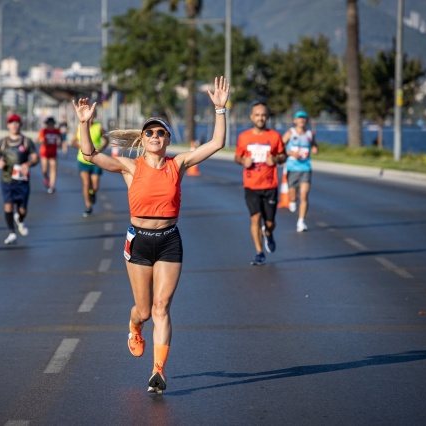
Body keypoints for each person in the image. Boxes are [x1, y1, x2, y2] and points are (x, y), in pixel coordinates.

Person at [72, 76, 230, 395]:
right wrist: (86, 125)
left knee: (161, 307)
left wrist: (220, 109)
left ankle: (158, 372)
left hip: (170, 240)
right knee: (143, 311)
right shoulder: (131, 167)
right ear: (143, 139)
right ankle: (134, 326)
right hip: (139, 241)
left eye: (160, 132)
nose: (155, 136)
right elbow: (90, 155)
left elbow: (216, 144)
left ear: (167, 138)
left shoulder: (179, 163)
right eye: (150, 132)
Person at [234, 101, 286, 266]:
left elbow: (283, 155)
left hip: (270, 185)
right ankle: (259, 252)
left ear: (267, 117)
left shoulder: (275, 136)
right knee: (255, 218)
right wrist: (244, 161)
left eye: (263, 115)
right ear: (251, 117)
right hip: (251, 185)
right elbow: (237, 157)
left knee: (269, 222)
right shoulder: (244, 137)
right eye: (257, 115)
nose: (260, 118)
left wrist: (276, 159)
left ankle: (268, 234)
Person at [0, 114, 38, 245]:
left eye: (16, 122)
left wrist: (28, 164)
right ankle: (12, 232)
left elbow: (35, 158)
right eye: (11, 122)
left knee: (22, 210)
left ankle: (20, 219)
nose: (14, 125)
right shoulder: (2, 142)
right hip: (7, 180)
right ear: (7, 125)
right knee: (8, 206)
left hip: (22, 181)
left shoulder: (27, 141)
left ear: (20, 125)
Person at [282, 110, 318, 232]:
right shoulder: (290, 133)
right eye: (299, 118)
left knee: (304, 195)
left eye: (303, 118)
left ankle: (301, 221)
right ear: (295, 121)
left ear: (306, 120)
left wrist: (314, 149)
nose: (302, 120)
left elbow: (314, 145)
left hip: (305, 168)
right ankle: (292, 201)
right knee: (293, 195)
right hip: (292, 168)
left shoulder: (310, 133)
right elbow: (280, 147)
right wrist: (290, 153)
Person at [71, 110, 109, 217]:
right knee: (86, 183)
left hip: (96, 159)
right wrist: (82, 147)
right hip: (83, 159)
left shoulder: (99, 127)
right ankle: (88, 206)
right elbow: (73, 141)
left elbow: (106, 139)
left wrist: (101, 148)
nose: (89, 119)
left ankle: (92, 193)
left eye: (91, 116)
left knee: (95, 186)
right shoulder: (80, 127)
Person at [37, 116, 61, 193]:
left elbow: (60, 138)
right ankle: (46, 178)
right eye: (49, 124)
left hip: (53, 153)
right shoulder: (43, 131)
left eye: (52, 124)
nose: (50, 126)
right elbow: (38, 139)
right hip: (44, 152)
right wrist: (43, 141)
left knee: (53, 168)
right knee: (45, 170)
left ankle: (52, 185)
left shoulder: (56, 131)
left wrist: (60, 143)